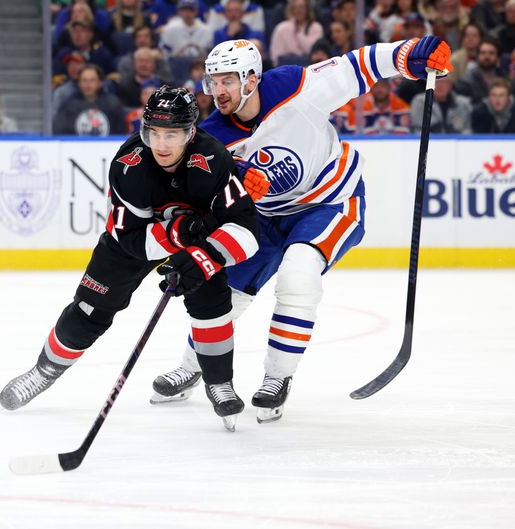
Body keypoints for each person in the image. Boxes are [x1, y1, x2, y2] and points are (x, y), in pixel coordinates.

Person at [148, 37, 452, 423]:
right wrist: (238, 180)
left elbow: (355, 66)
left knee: (299, 274)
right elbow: (200, 186)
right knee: (225, 293)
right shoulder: (213, 135)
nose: (218, 91)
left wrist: (408, 53)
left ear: (251, 79)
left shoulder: (294, 87)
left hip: (329, 202)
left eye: (227, 80)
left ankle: (277, 378)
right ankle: (195, 365)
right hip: (263, 217)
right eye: (213, 82)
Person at [0, 86, 260, 431]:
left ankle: (219, 382)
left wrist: (204, 257)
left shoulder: (213, 161)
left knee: (213, 300)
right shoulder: (130, 165)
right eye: (154, 133)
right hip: (137, 240)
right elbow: (130, 239)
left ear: (190, 132)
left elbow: (247, 229)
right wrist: (176, 235)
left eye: (172, 134)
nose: (161, 145)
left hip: (197, 240)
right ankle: (44, 370)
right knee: (89, 309)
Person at [53, 64, 126, 135]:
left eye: (92, 80)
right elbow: (60, 130)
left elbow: (121, 131)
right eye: (84, 80)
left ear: (100, 82)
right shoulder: (69, 106)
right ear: (79, 83)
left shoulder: (112, 104)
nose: (88, 84)